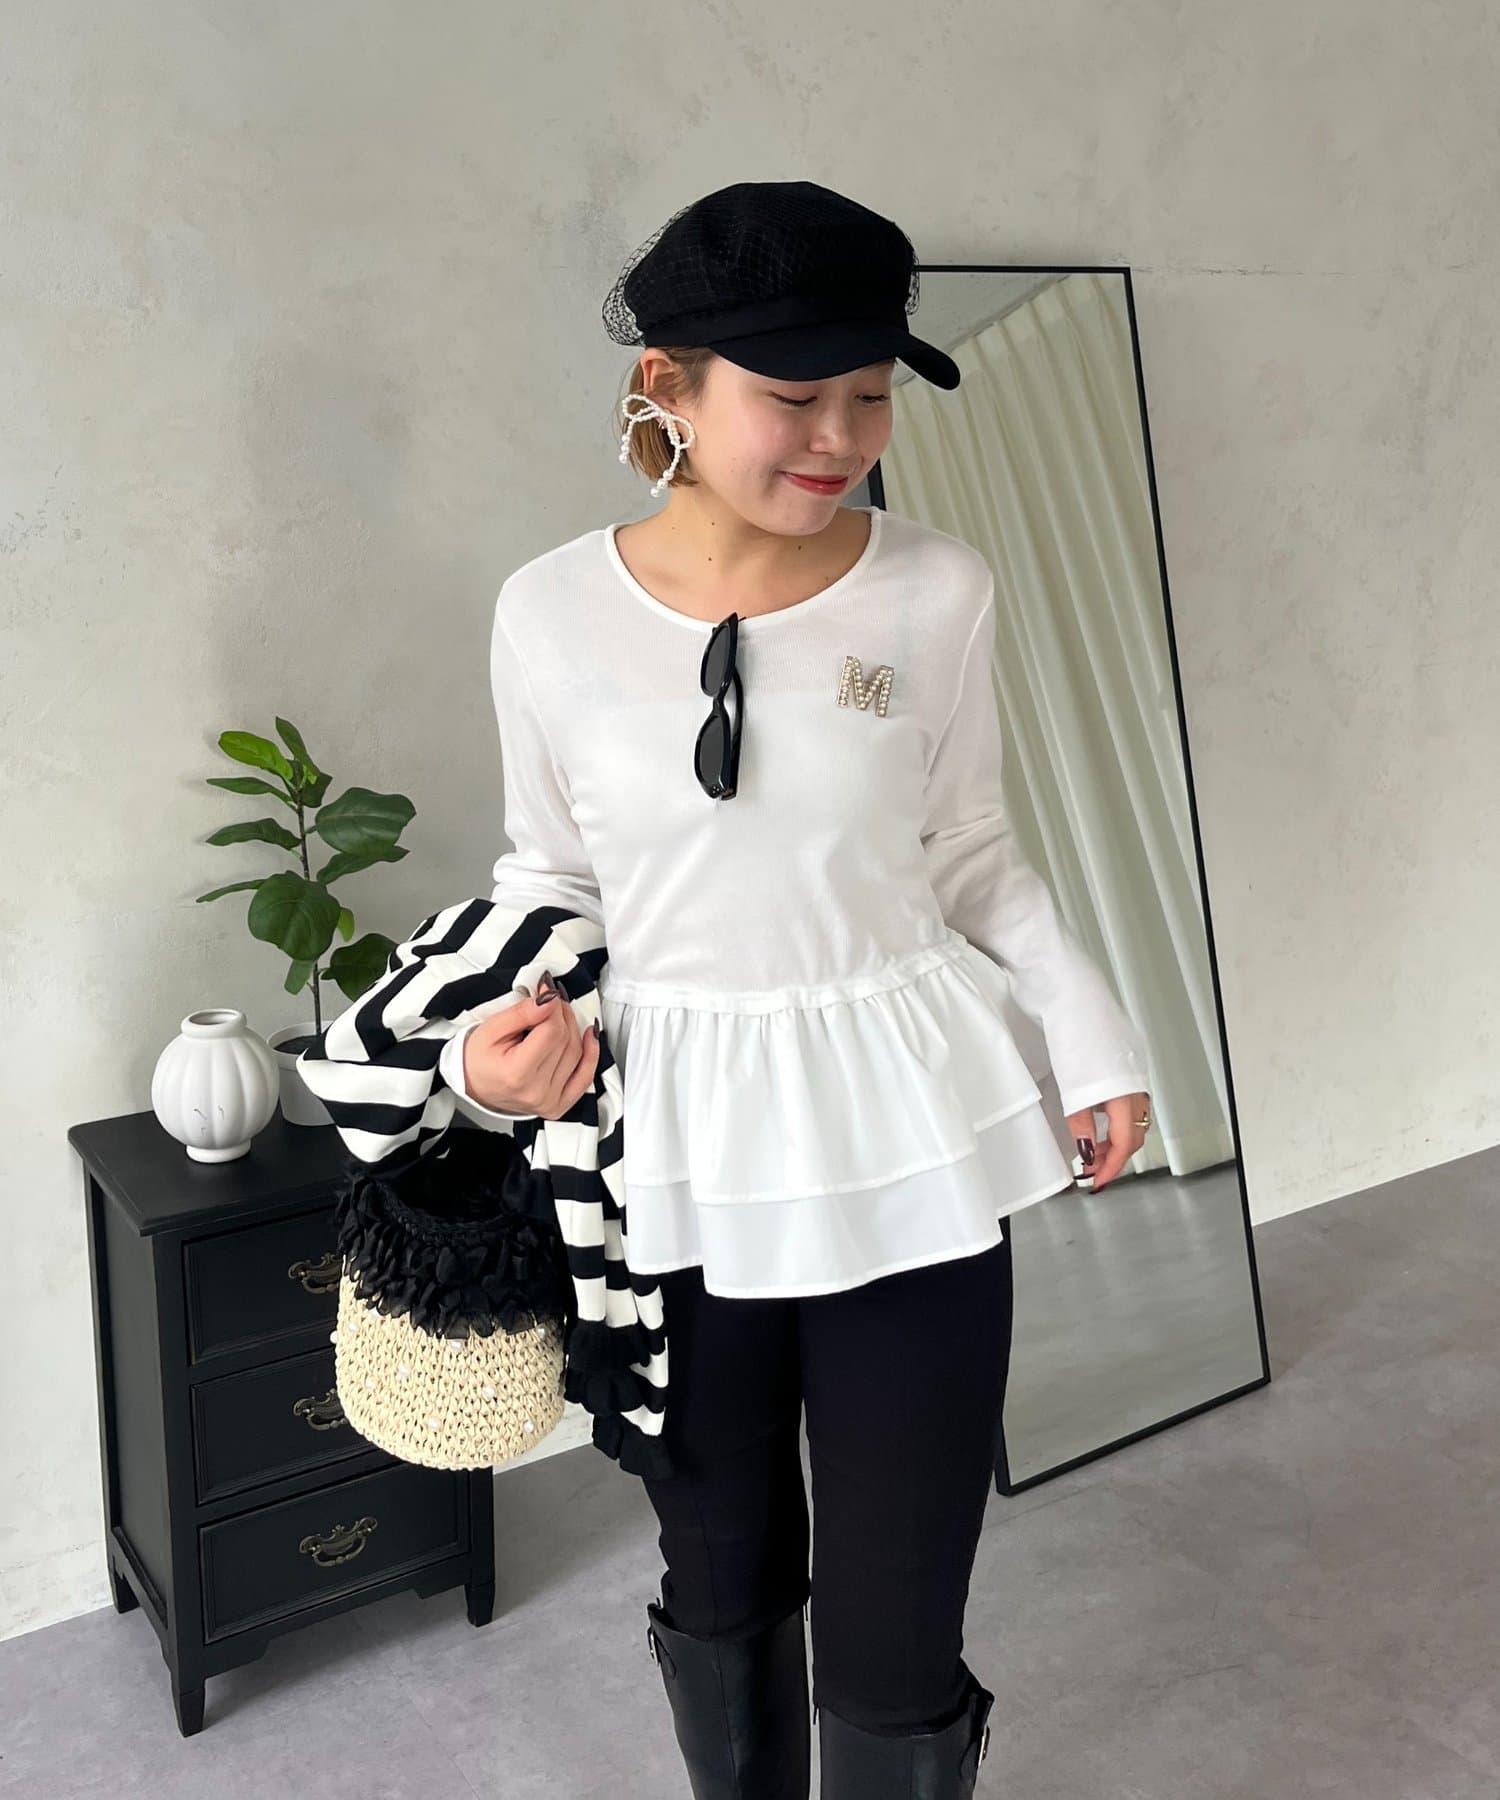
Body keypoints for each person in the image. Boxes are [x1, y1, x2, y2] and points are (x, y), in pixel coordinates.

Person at [445, 182, 1152, 1798]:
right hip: (673, 1155)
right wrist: (489, 1062)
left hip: (906, 1135)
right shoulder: (547, 611)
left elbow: (970, 851)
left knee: (899, 1624)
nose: (842, 438)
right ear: (669, 388)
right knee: (719, 1580)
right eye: (794, 394)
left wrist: (1090, 1029)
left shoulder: (939, 588)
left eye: (872, 393)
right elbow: (547, 879)